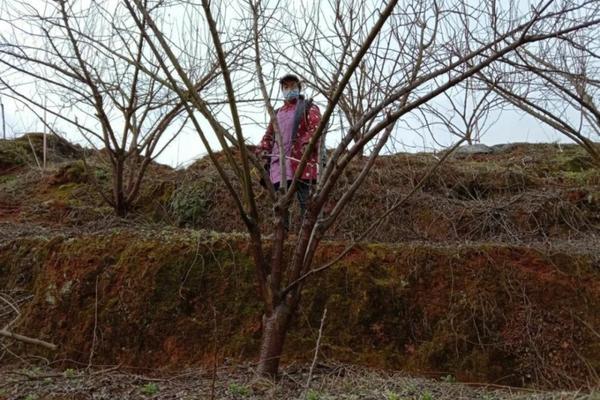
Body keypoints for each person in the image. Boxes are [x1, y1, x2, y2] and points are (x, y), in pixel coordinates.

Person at [257, 74, 321, 229]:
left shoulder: (308, 107)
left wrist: (307, 143)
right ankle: (282, 235)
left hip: (300, 161)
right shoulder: (277, 112)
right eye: (286, 87)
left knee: (306, 201)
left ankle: (306, 235)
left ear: (299, 88)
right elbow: (268, 136)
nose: (289, 90)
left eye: (293, 86)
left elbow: (316, 128)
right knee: (281, 203)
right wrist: (262, 149)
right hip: (278, 164)